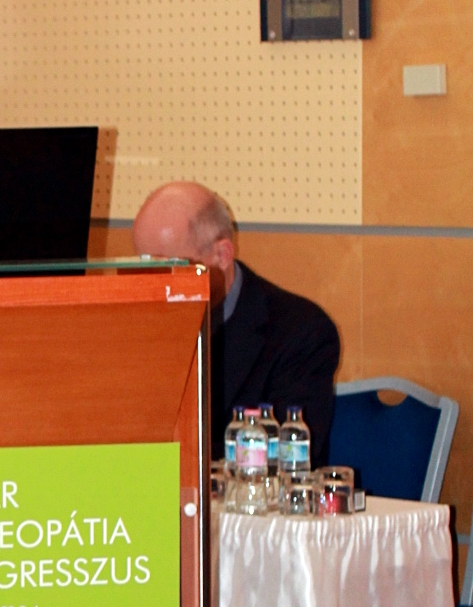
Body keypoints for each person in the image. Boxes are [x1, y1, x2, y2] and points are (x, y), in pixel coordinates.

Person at [131, 182, 340, 466]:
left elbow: (285, 457)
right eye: (142, 270)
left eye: (169, 269)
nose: (153, 287)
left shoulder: (300, 332)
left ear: (222, 255)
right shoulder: (134, 329)